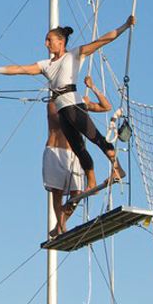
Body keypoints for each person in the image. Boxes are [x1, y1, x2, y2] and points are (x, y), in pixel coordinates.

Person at [0, 15, 135, 192]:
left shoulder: (74, 55)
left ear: (61, 41)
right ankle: (91, 181)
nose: (46, 44)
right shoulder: (46, 64)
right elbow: (19, 69)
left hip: (73, 104)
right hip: (62, 109)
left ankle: (118, 168)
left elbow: (103, 40)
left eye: (49, 40)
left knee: (95, 138)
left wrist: (125, 26)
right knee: (78, 148)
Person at [45, 75, 112, 237]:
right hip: (55, 151)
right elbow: (58, 117)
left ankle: (61, 222)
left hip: (74, 153)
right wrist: (79, 106)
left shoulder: (78, 102)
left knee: (77, 192)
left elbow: (106, 107)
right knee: (57, 192)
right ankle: (61, 227)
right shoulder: (52, 104)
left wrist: (93, 87)